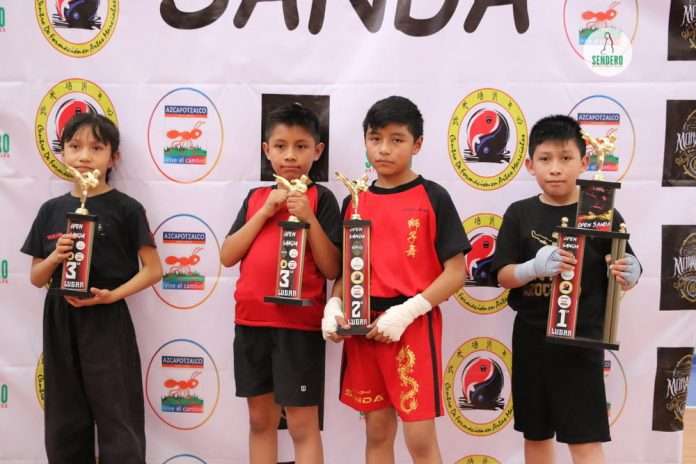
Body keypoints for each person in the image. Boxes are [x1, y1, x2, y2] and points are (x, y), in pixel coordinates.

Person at [322, 96, 470, 464]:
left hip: (412, 326)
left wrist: (407, 312)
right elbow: (346, 273)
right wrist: (334, 305)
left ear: (417, 144)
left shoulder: (433, 197)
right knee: (377, 432)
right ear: (365, 141)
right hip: (364, 329)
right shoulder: (354, 201)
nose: (384, 149)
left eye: (396, 139)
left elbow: (456, 273)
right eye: (375, 139)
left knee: (419, 438)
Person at [491, 115, 641, 464]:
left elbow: (625, 266)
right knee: (536, 434)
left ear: (584, 162)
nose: (555, 168)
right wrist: (532, 268)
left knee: (585, 438)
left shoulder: (600, 211)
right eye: (545, 159)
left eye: (565, 158)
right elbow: (503, 276)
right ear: (530, 164)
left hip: (581, 340)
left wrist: (631, 272)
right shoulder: (519, 213)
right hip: (531, 340)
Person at [21, 112, 162, 463]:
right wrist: (55, 257)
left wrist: (112, 295)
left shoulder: (127, 208)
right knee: (64, 417)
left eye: (96, 148)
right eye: (75, 146)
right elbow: (36, 277)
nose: (84, 156)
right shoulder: (50, 210)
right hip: (60, 317)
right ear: (63, 153)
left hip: (107, 316)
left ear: (113, 157)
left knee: (118, 412)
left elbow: (154, 270)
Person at [220, 102, 340, 464]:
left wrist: (308, 217)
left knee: (302, 424)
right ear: (266, 150)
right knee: (260, 421)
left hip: (298, 327)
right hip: (251, 322)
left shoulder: (322, 199)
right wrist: (266, 211)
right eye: (280, 146)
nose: (290, 155)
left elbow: (332, 267)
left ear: (317, 151)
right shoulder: (256, 198)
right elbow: (227, 255)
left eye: (301, 146)